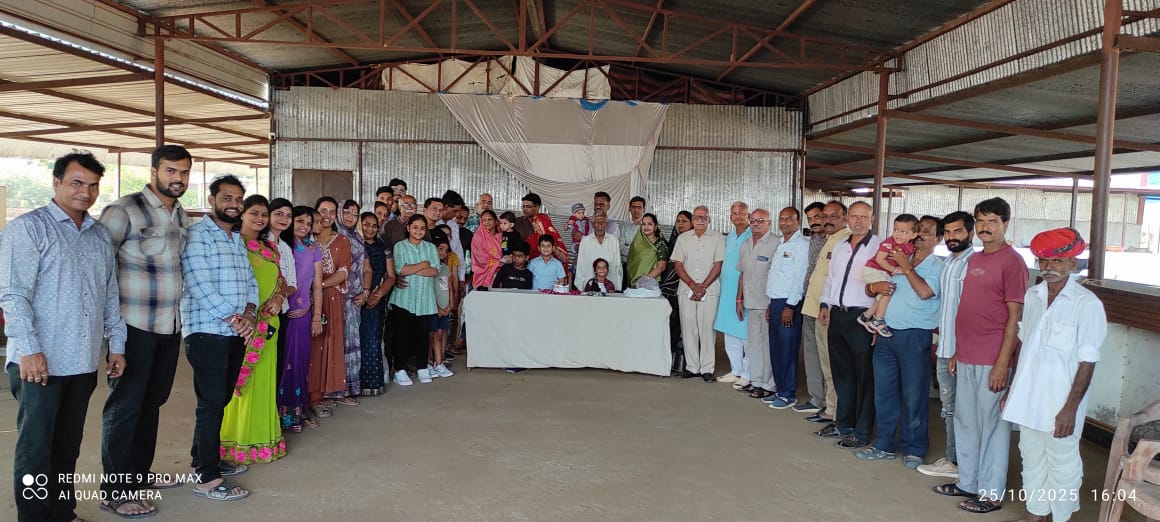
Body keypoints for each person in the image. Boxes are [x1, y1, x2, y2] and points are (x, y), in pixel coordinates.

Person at [1, 151, 128, 521]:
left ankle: (62, 512)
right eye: (76, 183)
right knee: (36, 448)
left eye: (92, 185)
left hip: (83, 360)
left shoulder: (99, 234)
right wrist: (29, 349)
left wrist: (116, 344)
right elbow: (13, 294)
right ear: (56, 182)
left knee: (68, 444)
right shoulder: (29, 228)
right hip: (40, 361)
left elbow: (109, 293)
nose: (85, 192)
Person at [97, 145, 190, 517]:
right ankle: (114, 490)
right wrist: (110, 334)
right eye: (171, 171)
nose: (178, 179)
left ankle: (137, 475)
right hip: (132, 327)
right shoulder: (124, 210)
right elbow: (99, 267)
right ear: (154, 171)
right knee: (125, 407)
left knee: (152, 403)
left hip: (168, 327)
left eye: (183, 172)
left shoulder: (180, 214)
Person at [1002, 228, 1105, 522]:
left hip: (1061, 401)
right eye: (1043, 261)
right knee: (1030, 455)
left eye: (1057, 261)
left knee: (1062, 462)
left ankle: (1060, 517)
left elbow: (1088, 361)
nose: (1048, 267)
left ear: (1073, 263)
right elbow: (1025, 348)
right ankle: (1036, 514)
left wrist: (1070, 408)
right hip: (1028, 395)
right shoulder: (1033, 296)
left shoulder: (1087, 304)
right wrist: (1012, 390)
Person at [933, 197, 1027, 515]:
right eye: (981, 221)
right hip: (967, 355)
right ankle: (968, 482)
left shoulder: (1012, 262)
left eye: (993, 222)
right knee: (966, 422)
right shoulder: (974, 260)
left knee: (993, 428)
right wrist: (958, 352)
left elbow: (1015, 317)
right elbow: (968, 308)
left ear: (1005, 224)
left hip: (992, 359)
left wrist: (1002, 363)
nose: (986, 227)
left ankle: (990, 493)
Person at [181, 174, 257, 501]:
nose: (234, 204)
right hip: (207, 332)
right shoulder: (198, 236)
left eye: (238, 199)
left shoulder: (235, 238)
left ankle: (204, 458)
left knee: (220, 399)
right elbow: (198, 284)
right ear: (212, 200)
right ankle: (207, 478)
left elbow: (250, 281)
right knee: (211, 402)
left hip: (234, 331)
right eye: (227, 198)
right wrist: (236, 319)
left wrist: (249, 314)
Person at [856, 216, 944, 470]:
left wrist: (906, 268)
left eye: (927, 232)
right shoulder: (900, 255)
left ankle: (914, 448)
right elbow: (875, 288)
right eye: (919, 231)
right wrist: (874, 287)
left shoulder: (937, 266)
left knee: (913, 395)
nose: (920, 236)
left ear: (938, 239)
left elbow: (925, 292)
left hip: (914, 336)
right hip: (886, 333)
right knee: (884, 393)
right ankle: (883, 444)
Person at [219, 195, 287, 467]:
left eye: (264, 214)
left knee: (264, 385)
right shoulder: (233, 245)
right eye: (254, 213)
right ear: (242, 215)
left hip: (270, 325)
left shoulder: (270, 248)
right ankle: (236, 444)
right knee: (240, 385)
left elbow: (281, 282)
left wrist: (279, 298)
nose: (260, 218)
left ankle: (263, 441)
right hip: (243, 326)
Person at [916, 211, 976, 479]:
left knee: (962, 409)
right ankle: (954, 459)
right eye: (949, 232)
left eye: (958, 231)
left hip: (959, 351)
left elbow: (971, 310)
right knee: (949, 407)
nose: (952, 237)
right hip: (946, 347)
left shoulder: (972, 263)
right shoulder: (950, 262)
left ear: (970, 233)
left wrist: (960, 350)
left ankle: (960, 463)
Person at [817, 201, 880, 449]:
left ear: (872, 219)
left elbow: (885, 284)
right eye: (854, 216)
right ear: (847, 220)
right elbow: (831, 279)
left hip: (862, 318)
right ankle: (843, 424)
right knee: (841, 373)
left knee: (865, 377)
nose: (858, 221)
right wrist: (825, 304)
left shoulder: (878, 247)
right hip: (838, 315)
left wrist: (877, 320)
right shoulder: (840, 245)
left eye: (863, 217)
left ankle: (862, 431)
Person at [278, 206, 323, 432]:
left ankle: (296, 413)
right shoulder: (279, 245)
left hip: (303, 314)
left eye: (309, 222)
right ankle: (276, 415)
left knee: (299, 364)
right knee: (281, 364)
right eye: (300, 221)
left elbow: (317, 286)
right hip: (279, 312)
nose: (305, 226)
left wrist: (315, 316)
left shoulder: (314, 249)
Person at [762, 207, 810, 409]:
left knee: (788, 348)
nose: (784, 223)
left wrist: (790, 305)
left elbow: (799, 278)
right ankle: (780, 388)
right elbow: (777, 276)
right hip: (776, 301)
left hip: (790, 303)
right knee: (776, 348)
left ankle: (788, 393)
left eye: (789, 219)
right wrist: (770, 303)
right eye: (781, 219)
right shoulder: (781, 243)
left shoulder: (802, 245)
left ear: (798, 221)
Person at [309, 197, 352, 419]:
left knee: (328, 342)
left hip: (331, 298)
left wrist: (320, 286)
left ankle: (323, 392)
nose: (327, 216)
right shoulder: (306, 238)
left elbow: (343, 272)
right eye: (323, 211)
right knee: (311, 346)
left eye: (332, 211)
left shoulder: (342, 241)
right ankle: (308, 395)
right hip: (305, 299)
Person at [671, 205, 725, 382]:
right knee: (688, 329)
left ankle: (707, 368)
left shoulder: (717, 237)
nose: (700, 220)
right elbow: (678, 264)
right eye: (697, 217)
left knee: (707, 329)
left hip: (710, 290)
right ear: (693, 220)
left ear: (709, 220)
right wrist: (693, 285)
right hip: (686, 289)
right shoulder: (683, 238)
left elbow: (718, 264)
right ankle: (692, 367)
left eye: (704, 217)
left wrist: (702, 287)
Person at [389, 214, 440, 386]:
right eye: (415, 227)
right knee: (402, 336)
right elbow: (400, 270)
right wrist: (423, 265)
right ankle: (400, 370)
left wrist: (412, 269)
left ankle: (422, 368)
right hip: (404, 299)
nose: (419, 231)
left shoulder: (431, 248)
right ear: (408, 228)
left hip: (424, 299)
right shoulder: (400, 246)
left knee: (422, 336)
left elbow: (435, 270)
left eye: (422, 228)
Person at [735, 208, 778, 399]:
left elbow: (778, 276)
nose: (756, 224)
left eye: (761, 221)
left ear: (769, 223)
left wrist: (772, 303)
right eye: (753, 221)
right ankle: (757, 381)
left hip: (767, 303)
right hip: (750, 302)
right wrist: (739, 298)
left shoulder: (776, 243)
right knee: (754, 345)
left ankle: (769, 384)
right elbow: (742, 274)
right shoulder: (746, 244)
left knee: (767, 346)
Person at [795, 201, 833, 417]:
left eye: (817, 216)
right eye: (810, 218)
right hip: (808, 303)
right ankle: (816, 398)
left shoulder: (838, 241)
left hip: (825, 308)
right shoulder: (814, 240)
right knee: (811, 354)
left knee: (826, 356)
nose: (814, 222)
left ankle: (830, 403)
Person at [857, 214, 919, 338]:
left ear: (913, 235)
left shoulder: (911, 246)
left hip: (883, 272)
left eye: (903, 232)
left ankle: (866, 316)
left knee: (885, 297)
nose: (898, 234)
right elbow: (880, 259)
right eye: (895, 230)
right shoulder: (889, 243)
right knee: (888, 290)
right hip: (873, 269)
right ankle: (878, 320)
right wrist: (895, 270)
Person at [714, 201, 752, 387]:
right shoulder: (728, 238)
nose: (738, 216)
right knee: (730, 333)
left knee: (746, 335)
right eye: (734, 213)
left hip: (744, 291)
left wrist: (741, 295)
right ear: (730, 217)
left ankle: (748, 373)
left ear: (748, 216)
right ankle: (736, 370)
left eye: (742, 213)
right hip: (727, 290)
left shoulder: (752, 236)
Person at [337, 199, 370, 399]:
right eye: (347, 212)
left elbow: (366, 267)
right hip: (336, 300)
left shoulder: (357, 238)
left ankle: (350, 387)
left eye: (355, 213)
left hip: (355, 302)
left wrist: (365, 292)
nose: (351, 217)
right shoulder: (333, 236)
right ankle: (336, 389)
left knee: (352, 344)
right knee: (337, 346)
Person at [361, 211, 395, 396]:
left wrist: (378, 294)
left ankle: (372, 383)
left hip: (376, 300)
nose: (370, 229)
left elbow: (391, 276)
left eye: (374, 226)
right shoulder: (353, 244)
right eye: (366, 224)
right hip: (354, 299)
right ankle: (352, 383)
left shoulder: (384, 248)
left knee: (373, 339)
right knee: (354, 340)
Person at [661, 211, 693, 375]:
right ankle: (672, 363)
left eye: (684, 221)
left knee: (687, 327)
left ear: (691, 223)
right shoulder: (673, 242)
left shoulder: (695, 242)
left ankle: (687, 365)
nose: (680, 224)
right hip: (671, 291)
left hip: (690, 289)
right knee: (672, 327)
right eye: (678, 221)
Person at [427, 236, 458, 379]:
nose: (443, 253)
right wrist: (437, 307)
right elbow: (429, 290)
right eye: (440, 249)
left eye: (446, 250)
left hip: (445, 309)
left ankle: (438, 363)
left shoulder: (445, 268)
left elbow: (449, 287)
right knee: (431, 336)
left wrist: (451, 305)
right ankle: (429, 362)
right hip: (433, 308)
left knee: (439, 335)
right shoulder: (429, 269)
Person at [575, 212, 623, 290]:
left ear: (606, 224)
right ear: (592, 224)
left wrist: (618, 288)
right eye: (597, 222)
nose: (600, 225)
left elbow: (618, 267)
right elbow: (580, 267)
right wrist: (580, 289)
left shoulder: (614, 241)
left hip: (611, 288)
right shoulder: (585, 241)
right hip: (589, 288)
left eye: (603, 222)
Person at [518, 193, 568, 265]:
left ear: (537, 207)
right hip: (524, 263)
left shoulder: (543, 222)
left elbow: (558, 250)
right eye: (523, 206)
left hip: (544, 263)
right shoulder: (519, 221)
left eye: (528, 206)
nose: (525, 209)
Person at [626, 213, 669, 288]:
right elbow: (631, 263)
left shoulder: (661, 244)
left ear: (655, 226)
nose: (646, 227)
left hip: (650, 284)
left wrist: (643, 282)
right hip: (633, 283)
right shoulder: (637, 242)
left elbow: (661, 267)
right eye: (643, 224)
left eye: (649, 224)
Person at [619, 196, 647, 286]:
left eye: (639, 207)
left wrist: (629, 247)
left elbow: (648, 248)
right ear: (629, 209)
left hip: (643, 267)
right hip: (625, 266)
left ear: (644, 209)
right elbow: (620, 247)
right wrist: (638, 251)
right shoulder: (623, 226)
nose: (636, 210)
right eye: (633, 207)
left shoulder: (648, 227)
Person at [472, 210, 503, 289]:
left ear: (496, 221)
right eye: (484, 220)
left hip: (501, 273)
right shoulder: (478, 237)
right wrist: (497, 263)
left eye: (490, 219)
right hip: (483, 275)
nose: (487, 222)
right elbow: (479, 258)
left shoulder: (503, 236)